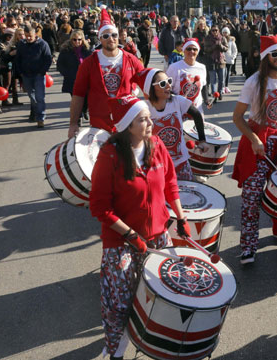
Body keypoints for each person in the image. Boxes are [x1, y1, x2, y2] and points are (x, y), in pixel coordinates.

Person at [89, 94, 189, 360]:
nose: (150, 123)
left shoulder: (156, 144)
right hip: (120, 240)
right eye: (143, 119)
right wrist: (131, 235)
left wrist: (181, 218)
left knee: (163, 294)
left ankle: (156, 341)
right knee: (120, 303)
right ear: (127, 126)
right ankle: (116, 348)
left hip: (157, 234)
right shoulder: (109, 156)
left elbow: (170, 183)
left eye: (148, 117)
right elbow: (99, 207)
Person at [231, 35, 277, 264]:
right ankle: (248, 245)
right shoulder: (253, 82)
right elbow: (237, 117)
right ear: (265, 57)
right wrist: (253, 139)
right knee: (252, 195)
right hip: (258, 140)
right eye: (274, 54)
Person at [69, 8, 144, 137]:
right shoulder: (89, 63)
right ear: (100, 39)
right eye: (106, 36)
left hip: (128, 120)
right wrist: (73, 124)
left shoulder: (131, 59)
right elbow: (78, 95)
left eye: (114, 35)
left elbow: (147, 84)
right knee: (104, 156)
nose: (111, 39)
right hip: (100, 124)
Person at [139, 68, 208, 181]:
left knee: (187, 196)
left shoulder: (178, 101)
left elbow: (196, 114)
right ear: (150, 88)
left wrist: (202, 140)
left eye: (169, 81)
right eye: (162, 83)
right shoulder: (144, 108)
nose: (168, 86)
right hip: (157, 166)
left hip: (181, 163)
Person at [14, 25, 53, 128]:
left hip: (39, 75)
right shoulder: (22, 44)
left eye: (30, 36)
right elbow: (18, 59)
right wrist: (21, 72)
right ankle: (37, 112)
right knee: (32, 97)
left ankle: (41, 117)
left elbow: (48, 59)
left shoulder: (42, 44)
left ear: (35, 34)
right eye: (26, 36)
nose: (28, 38)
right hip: (26, 75)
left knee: (40, 97)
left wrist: (42, 71)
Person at [166, 39, 210, 114]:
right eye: (188, 49)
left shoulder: (202, 67)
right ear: (183, 51)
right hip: (178, 112)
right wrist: (177, 99)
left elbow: (204, 86)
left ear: (198, 52)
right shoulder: (174, 67)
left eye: (194, 49)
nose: (192, 51)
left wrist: (207, 100)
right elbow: (166, 89)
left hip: (196, 112)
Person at [57, 30, 92, 124]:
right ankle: (79, 116)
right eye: (74, 40)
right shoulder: (66, 50)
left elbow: (93, 63)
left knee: (87, 99)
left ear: (83, 40)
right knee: (76, 99)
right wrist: (67, 74)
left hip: (86, 79)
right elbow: (60, 65)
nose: (77, 42)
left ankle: (84, 110)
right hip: (72, 79)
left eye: (79, 39)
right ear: (71, 40)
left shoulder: (87, 50)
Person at [203, 25, 227, 101]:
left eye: (216, 30)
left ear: (218, 31)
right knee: (213, 80)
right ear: (211, 31)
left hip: (221, 61)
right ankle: (215, 95)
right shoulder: (208, 38)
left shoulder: (222, 38)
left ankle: (219, 92)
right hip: (211, 61)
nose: (215, 32)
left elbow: (226, 49)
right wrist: (214, 46)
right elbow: (205, 49)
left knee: (221, 80)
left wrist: (220, 45)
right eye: (213, 30)